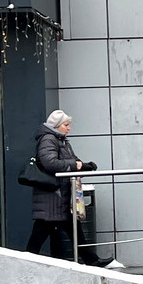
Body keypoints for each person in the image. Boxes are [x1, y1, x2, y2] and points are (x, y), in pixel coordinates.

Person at [26, 109, 96, 258]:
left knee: (70, 228)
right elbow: (50, 163)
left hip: (59, 195)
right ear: (57, 125)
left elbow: (72, 161)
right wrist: (76, 165)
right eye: (66, 125)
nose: (69, 128)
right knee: (42, 232)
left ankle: (91, 259)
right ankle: (92, 260)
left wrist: (83, 166)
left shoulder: (61, 141)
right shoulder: (48, 139)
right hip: (53, 195)